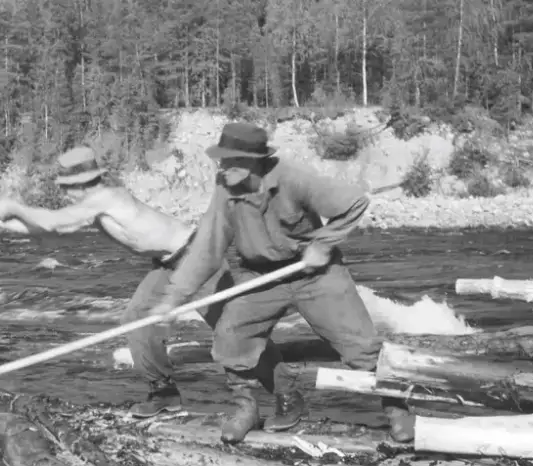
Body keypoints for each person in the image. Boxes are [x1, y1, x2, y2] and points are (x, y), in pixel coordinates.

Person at [149, 120, 415, 445]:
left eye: (231, 161)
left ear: (255, 161)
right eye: (222, 160)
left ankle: (398, 409)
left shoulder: (293, 177)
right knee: (231, 336)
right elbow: (207, 246)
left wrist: (323, 244)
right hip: (260, 276)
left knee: (361, 346)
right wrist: (174, 298)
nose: (223, 167)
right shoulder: (226, 187)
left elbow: (355, 202)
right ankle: (246, 407)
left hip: (315, 274)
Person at [0, 145, 233, 417]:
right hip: (168, 264)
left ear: (79, 185)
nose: (64, 193)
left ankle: (266, 394)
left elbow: (52, 222)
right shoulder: (94, 207)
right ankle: (163, 393)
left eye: (65, 187)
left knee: (233, 329)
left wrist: (14, 207)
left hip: (197, 255)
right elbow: (51, 234)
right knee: (137, 318)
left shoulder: (107, 197)